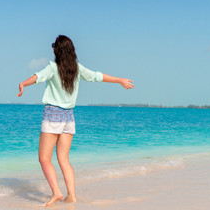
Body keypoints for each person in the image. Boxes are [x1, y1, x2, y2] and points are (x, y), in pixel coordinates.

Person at [17, 35, 134, 207]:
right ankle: (71, 196)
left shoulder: (53, 68)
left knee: (44, 159)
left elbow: (37, 77)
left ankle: (57, 192)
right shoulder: (77, 69)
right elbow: (97, 76)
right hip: (69, 118)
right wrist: (119, 80)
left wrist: (23, 84)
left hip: (53, 115)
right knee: (64, 159)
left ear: (57, 50)